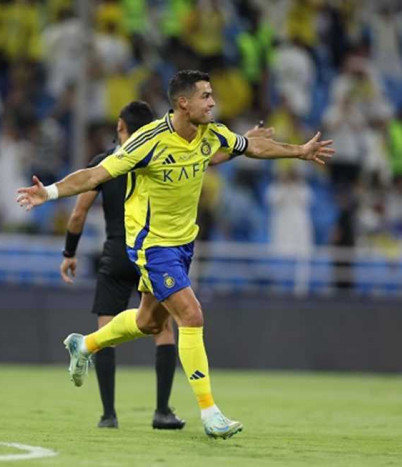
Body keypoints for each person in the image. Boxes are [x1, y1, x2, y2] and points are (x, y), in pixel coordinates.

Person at [17, 70, 334, 439]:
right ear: (184, 103)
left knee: (149, 322)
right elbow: (93, 175)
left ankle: (83, 344)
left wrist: (299, 151)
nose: (213, 102)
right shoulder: (148, 141)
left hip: (183, 243)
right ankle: (210, 413)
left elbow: (251, 147)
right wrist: (49, 192)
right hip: (151, 245)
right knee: (191, 315)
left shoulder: (211, 133)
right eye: (205, 96)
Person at [60, 101, 184, 430]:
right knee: (163, 329)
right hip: (151, 254)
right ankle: (162, 412)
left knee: (105, 331)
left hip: (116, 252)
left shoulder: (105, 163)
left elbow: (78, 213)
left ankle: (108, 415)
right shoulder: (161, 157)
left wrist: (69, 253)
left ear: (120, 126)